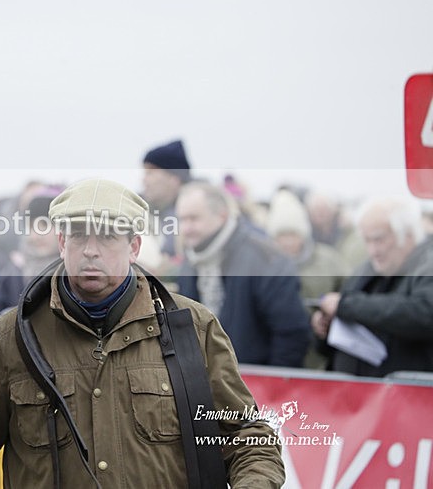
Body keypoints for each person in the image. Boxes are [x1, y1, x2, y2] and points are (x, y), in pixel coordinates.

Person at [0, 178, 285, 488]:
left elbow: (249, 439)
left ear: (135, 246)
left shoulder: (192, 328)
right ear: (61, 241)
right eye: (79, 235)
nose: (91, 249)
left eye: (107, 236)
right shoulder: (14, 335)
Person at [174, 181, 311, 367]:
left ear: (221, 216)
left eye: (194, 219)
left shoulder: (266, 259)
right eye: (182, 220)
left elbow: (291, 334)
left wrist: (270, 387)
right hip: (205, 382)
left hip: (256, 382)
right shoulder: (190, 262)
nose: (186, 228)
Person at [311, 196, 433, 377]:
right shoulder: (368, 269)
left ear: (407, 235)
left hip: (407, 395)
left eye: (379, 239)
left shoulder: (426, 264)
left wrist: (346, 306)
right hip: (358, 393)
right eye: (367, 241)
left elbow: (423, 313)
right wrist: (326, 326)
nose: (373, 250)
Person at [265, 189, 348, 369]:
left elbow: (348, 292)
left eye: (292, 234)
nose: (287, 242)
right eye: (281, 236)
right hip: (281, 354)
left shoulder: (328, 260)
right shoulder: (264, 267)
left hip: (321, 353)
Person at [139, 139, 192, 277]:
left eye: (150, 173)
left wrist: (169, 271)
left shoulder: (203, 213)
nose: (144, 180)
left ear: (174, 178)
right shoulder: (142, 212)